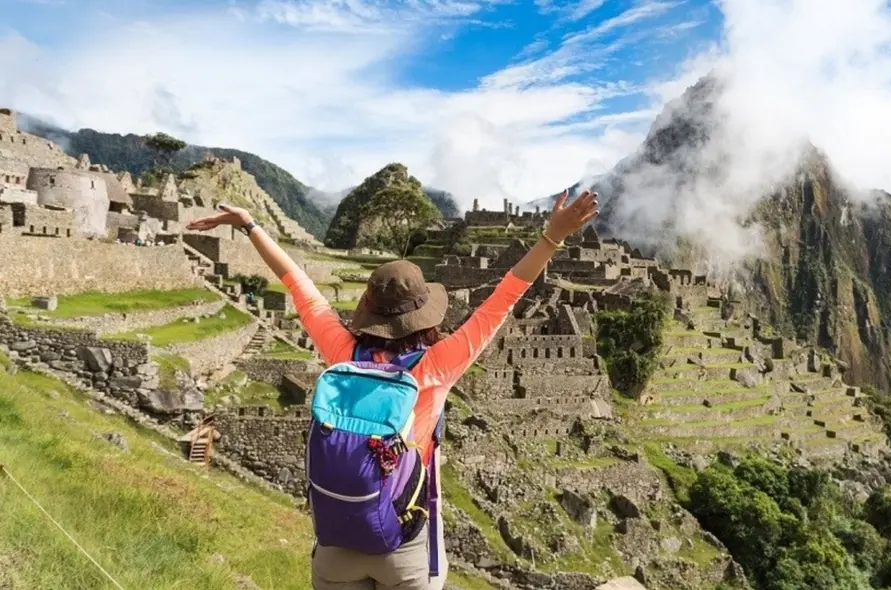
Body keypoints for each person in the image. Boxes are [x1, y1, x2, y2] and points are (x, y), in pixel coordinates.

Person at [185, 190, 599, 590]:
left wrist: (251, 225)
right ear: (425, 316)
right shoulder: (438, 364)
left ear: (368, 311)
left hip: (337, 539)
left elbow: (296, 283)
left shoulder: (343, 352)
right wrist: (552, 236)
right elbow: (504, 298)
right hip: (403, 536)